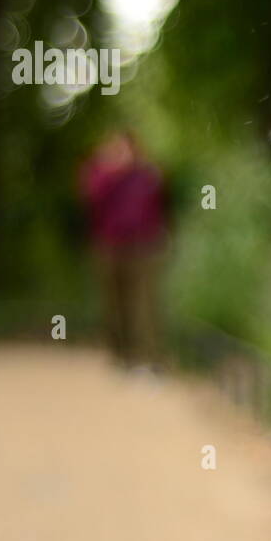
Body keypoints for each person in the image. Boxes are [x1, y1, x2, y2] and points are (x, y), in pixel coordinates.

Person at [78, 129, 168, 371]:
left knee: (144, 304)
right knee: (114, 304)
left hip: (144, 245)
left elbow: (159, 202)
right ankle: (120, 356)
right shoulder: (100, 171)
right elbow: (91, 196)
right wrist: (112, 171)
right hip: (109, 245)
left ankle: (148, 358)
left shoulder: (147, 173)